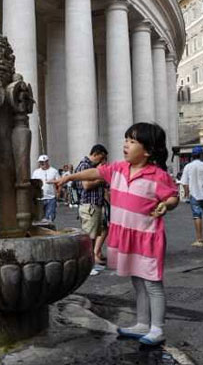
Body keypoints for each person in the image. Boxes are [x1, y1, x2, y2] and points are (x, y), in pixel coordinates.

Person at [55, 123, 179, 346]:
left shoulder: (157, 175)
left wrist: (166, 206)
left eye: (132, 142)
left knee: (152, 284)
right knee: (138, 282)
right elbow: (95, 172)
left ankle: (157, 328)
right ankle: (142, 323)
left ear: (148, 151)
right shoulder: (119, 169)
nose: (125, 145)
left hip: (147, 237)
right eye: (126, 140)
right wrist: (69, 178)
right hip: (127, 236)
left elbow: (172, 196)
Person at [73, 144, 108, 265]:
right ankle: (87, 264)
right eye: (101, 158)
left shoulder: (90, 166)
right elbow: (86, 185)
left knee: (93, 236)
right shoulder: (85, 165)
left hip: (94, 205)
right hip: (89, 205)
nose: (102, 161)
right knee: (89, 237)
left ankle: (91, 262)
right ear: (96, 154)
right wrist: (100, 179)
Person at [31, 155, 60, 222]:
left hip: (51, 198)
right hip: (39, 198)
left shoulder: (54, 171)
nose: (42, 164)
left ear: (47, 162)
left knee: (50, 218)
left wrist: (58, 192)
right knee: (39, 218)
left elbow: (59, 182)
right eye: (41, 162)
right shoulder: (36, 172)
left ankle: (49, 230)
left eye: (44, 162)